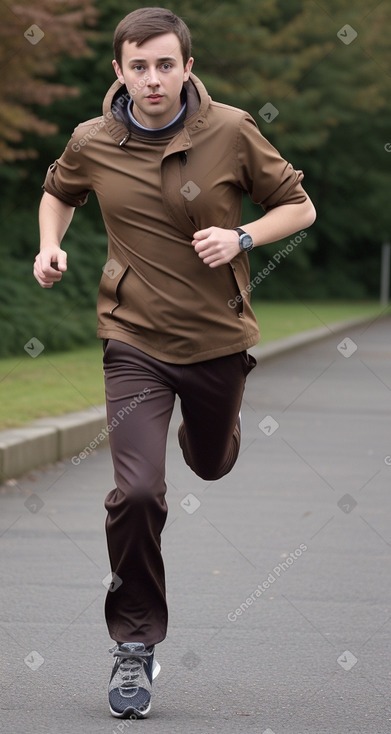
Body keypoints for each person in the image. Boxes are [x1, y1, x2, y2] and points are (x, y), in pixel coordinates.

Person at [33, 6, 316, 720]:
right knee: (135, 494)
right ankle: (134, 644)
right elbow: (58, 192)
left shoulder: (231, 129)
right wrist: (51, 245)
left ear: (187, 68)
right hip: (133, 343)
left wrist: (243, 236)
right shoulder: (92, 140)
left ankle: (209, 430)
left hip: (216, 342)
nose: (152, 79)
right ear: (119, 71)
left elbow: (298, 207)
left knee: (211, 463)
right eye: (138, 66)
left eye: (165, 64)